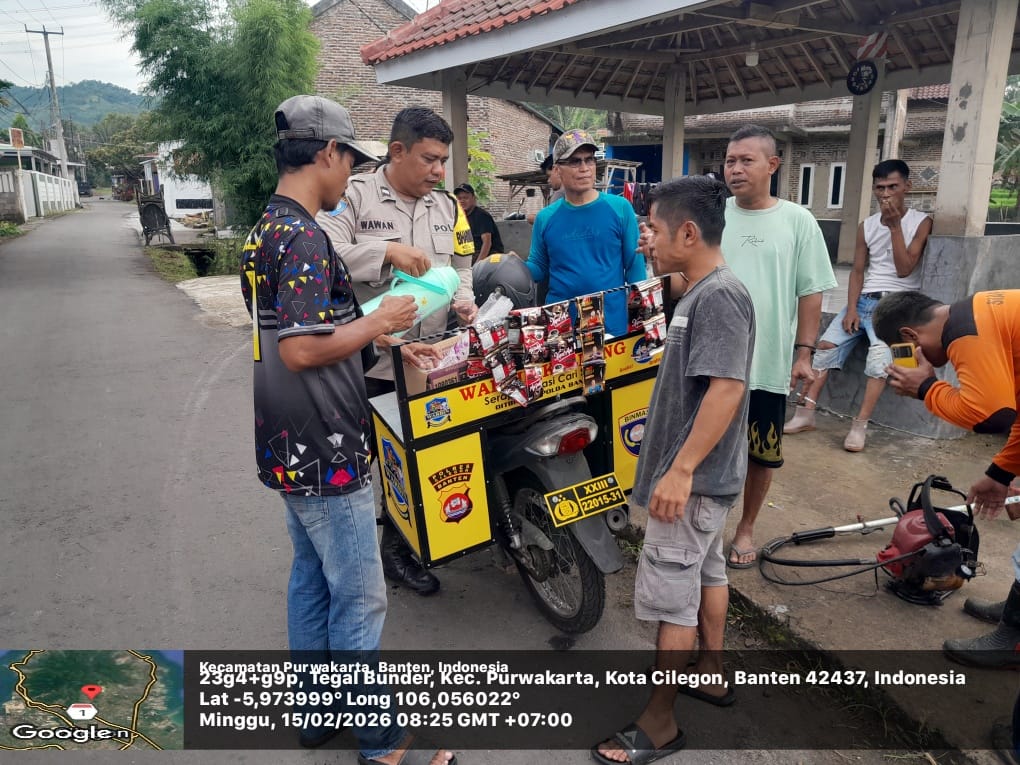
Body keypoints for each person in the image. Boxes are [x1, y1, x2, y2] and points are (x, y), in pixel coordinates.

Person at [239, 95, 455, 765]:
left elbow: (298, 332)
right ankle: (382, 742)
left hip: (286, 439)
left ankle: (317, 712)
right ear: (327, 152)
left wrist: (378, 340)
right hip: (327, 441)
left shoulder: (264, 230)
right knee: (360, 597)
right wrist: (380, 320)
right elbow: (304, 347)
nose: (350, 176)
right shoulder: (305, 236)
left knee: (312, 578)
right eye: (349, 161)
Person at [594, 176, 754, 765]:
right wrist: (654, 261)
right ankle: (709, 671)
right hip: (706, 482)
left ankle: (659, 722)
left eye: (655, 230)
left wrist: (681, 470)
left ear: (689, 232)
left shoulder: (719, 298)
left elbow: (727, 388)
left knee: (671, 600)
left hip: (695, 483)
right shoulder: (702, 288)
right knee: (707, 573)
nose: (647, 239)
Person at [319, 106, 477, 596]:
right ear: (397, 151)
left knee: (412, 460)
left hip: (427, 360)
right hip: (367, 360)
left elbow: (463, 263)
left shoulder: (447, 207)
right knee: (359, 461)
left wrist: (465, 300)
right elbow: (322, 254)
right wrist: (386, 251)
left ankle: (398, 550)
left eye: (444, 161)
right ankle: (347, 558)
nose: (439, 171)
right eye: (430, 159)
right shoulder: (354, 195)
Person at [876, 290, 1020, 668]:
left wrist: (925, 387)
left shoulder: (965, 331)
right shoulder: (981, 314)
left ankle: (1014, 640)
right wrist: (1000, 473)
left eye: (903, 351)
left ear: (909, 337)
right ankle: (1017, 611)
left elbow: (991, 415)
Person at [721, 124, 837, 568]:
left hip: (766, 360)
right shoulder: (713, 214)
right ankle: (705, 525)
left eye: (745, 160)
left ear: (772, 164)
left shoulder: (798, 220)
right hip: (713, 360)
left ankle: (746, 528)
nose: (735, 169)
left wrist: (804, 353)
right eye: (730, 161)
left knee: (761, 452)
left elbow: (811, 292)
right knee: (707, 447)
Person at [784, 159, 933, 451]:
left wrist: (895, 227)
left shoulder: (921, 222)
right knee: (825, 347)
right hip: (865, 302)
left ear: (907, 187)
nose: (885, 194)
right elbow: (857, 271)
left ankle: (859, 425)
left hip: (898, 306)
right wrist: (851, 308)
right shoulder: (867, 226)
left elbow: (905, 269)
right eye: (880, 188)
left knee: (878, 361)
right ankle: (805, 412)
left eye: (893, 187)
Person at [526, 129, 645, 337]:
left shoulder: (620, 208)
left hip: (610, 323)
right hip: (562, 326)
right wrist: (509, 266)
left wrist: (639, 319)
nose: (584, 168)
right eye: (574, 162)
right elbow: (538, 268)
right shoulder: (545, 218)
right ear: (557, 169)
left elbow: (635, 267)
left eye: (589, 160)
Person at [453, 182, 504, 262]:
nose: (462, 201)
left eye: (466, 198)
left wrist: (478, 264)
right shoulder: (458, 217)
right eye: (459, 198)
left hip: (490, 255)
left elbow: (487, 243)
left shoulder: (482, 215)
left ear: (474, 198)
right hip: (470, 253)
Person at [527, 154, 564, 224]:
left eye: (549, 176)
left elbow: (552, 221)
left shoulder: (561, 193)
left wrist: (533, 218)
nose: (548, 180)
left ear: (556, 170)